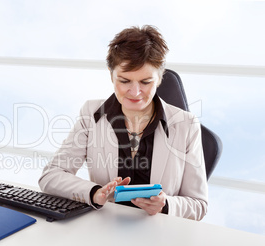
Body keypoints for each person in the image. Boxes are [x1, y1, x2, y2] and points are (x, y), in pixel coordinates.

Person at [38, 25, 208, 221]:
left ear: (160, 78)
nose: (135, 92)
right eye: (125, 81)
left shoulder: (186, 125)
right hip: (105, 228)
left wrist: (166, 205)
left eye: (145, 82)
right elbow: (51, 176)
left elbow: (198, 204)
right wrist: (95, 193)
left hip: (160, 232)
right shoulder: (91, 114)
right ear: (111, 75)